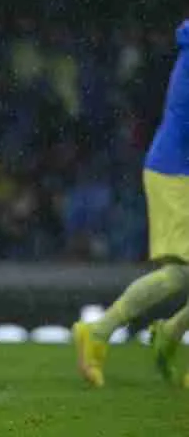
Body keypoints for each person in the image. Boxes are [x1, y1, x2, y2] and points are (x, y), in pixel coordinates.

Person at [75, 20, 189, 388]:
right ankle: (99, 331)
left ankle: (168, 333)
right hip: (175, 171)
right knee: (180, 273)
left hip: (178, 165)